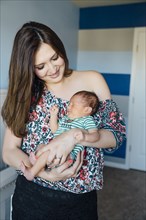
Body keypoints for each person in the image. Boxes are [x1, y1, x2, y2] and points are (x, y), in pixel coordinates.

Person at [1, 21, 126, 220]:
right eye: (40, 66)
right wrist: (42, 173)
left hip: (79, 202)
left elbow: (116, 135)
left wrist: (74, 137)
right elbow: (9, 151)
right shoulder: (24, 95)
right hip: (32, 199)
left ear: (60, 48)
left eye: (55, 57)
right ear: (28, 68)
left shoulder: (92, 80)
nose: (52, 69)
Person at [20, 90, 100, 181]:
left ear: (87, 110)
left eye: (73, 105)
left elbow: (96, 135)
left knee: (47, 153)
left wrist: (85, 137)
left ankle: (31, 173)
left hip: (68, 154)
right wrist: (53, 115)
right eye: (69, 103)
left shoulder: (86, 120)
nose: (68, 106)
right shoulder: (66, 118)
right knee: (41, 145)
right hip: (54, 147)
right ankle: (39, 163)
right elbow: (55, 130)